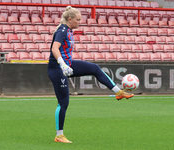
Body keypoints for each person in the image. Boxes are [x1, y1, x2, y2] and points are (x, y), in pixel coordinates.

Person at [48, 6, 134, 143]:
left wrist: (66, 64)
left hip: (67, 65)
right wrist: (62, 64)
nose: (79, 22)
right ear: (70, 19)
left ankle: (118, 92)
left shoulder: (68, 30)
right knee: (63, 102)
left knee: (94, 68)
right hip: (57, 69)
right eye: (78, 19)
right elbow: (54, 48)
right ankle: (59, 136)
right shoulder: (63, 30)